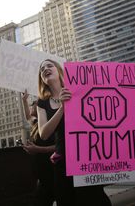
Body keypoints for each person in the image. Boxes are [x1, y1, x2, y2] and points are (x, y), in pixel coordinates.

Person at [36, 59, 111, 206]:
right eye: (42, 69)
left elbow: (104, 114)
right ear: (42, 80)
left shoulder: (78, 91)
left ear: (59, 71)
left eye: (49, 66)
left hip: (86, 158)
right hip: (62, 162)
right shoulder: (42, 103)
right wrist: (63, 107)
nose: (45, 69)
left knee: (95, 199)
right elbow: (43, 134)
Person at [21, 90, 56, 206]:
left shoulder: (51, 125)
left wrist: (37, 149)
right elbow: (27, 116)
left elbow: (60, 147)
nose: (32, 105)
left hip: (54, 173)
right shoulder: (36, 123)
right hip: (42, 175)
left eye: (34, 103)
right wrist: (24, 100)